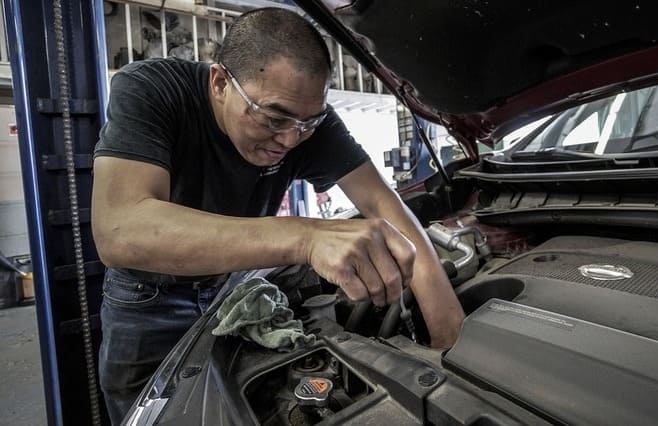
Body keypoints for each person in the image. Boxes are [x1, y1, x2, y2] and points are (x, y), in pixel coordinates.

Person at [91, 7, 465, 424]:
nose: (290, 139)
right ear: (219, 83)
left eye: (308, 122)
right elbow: (120, 230)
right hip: (149, 302)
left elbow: (383, 205)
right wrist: (306, 237)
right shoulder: (153, 89)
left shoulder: (306, 123)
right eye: (273, 118)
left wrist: (450, 338)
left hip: (235, 289)